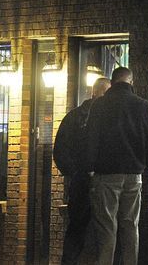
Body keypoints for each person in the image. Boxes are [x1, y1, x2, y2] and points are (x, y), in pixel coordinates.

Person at [85, 67, 148, 265]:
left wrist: (90, 167)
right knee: (130, 226)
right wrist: (145, 165)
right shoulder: (145, 107)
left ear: (112, 83)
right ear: (131, 82)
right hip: (133, 175)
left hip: (106, 174)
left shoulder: (100, 106)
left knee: (106, 226)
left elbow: (91, 139)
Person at [53, 77, 111, 265]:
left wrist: (73, 173)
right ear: (96, 92)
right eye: (106, 93)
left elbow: (60, 149)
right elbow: (61, 149)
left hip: (82, 180)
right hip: (93, 180)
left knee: (77, 227)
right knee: (101, 228)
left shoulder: (75, 116)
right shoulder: (101, 118)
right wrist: (76, 173)